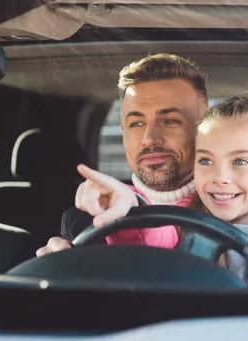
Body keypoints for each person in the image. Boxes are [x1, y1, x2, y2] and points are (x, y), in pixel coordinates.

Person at [74, 95, 248, 292]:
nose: (220, 177)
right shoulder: (181, 224)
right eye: (206, 161)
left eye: (240, 161)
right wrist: (131, 207)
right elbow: (145, 240)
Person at [36, 53, 207, 256]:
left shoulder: (235, 207)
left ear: (205, 129)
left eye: (171, 120)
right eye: (136, 123)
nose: (150, 138)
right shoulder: (83, 221)